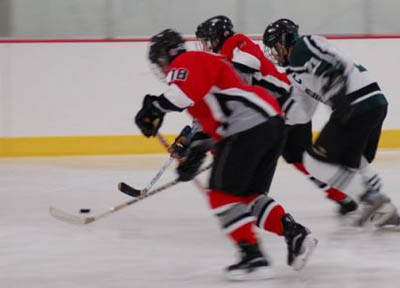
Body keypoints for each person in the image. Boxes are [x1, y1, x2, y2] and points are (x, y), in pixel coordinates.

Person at [135, 28, 317, 280]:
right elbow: (210, 120)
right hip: (270, 122)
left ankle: (253, 258)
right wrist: (195, 153)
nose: (162, 67)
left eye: (159, 60)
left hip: (249, 125)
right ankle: (295, 233)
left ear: (166, 56)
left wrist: (153, 109)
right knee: (248, 197)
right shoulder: (205, 63)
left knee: (221, 195)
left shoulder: (185, 62)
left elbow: (179, 96)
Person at [195, 15, 357, 215]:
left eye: (206, 40)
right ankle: (342, 196)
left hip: (285, 104)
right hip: (279, 106)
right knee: (301, 160)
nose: (205, 46)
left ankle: (247, 200)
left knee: (263, 154)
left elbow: (250, 64)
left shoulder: (237, 43)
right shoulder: (226, 56)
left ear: (217, 37)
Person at [263, 18, 399, 227]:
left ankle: (373, 201)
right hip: (371, 103)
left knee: (314, 162)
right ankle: (384, 207)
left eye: (274, 46)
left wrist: (337, 87)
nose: (273, 53)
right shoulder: (295, 71)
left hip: (356, 104)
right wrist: (276, 117)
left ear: (284, 41)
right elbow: (302, 113)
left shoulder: (304, 46)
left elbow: (332, 62)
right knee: (353, 160)